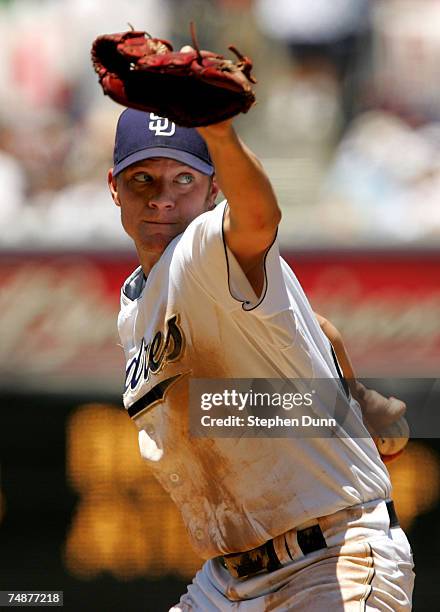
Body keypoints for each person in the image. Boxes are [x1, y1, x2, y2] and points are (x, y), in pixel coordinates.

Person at [108, 108, 414, 610]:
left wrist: (221, 135)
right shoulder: (137, 303)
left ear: (213, 192)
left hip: (330, 563)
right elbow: (315, 327)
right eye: (142, 178)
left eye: (184, 178)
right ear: (114, 187)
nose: (162, 197)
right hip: (227, 582)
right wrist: (356, 401)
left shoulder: (203, 246)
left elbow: (259, 218)